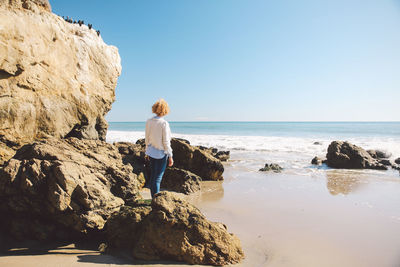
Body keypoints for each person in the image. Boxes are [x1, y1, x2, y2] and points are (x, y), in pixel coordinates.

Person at [145, 99, 173, 197]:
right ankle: (156, 200)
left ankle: (154, 198)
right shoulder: (164, 123)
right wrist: (170, 156)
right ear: (165, 110)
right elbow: (166, 142)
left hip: (151, 152)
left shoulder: (149, 121)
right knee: (157, 178)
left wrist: (146, 152)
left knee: (153, 177)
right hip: (161, 154)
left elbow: (147, 138)